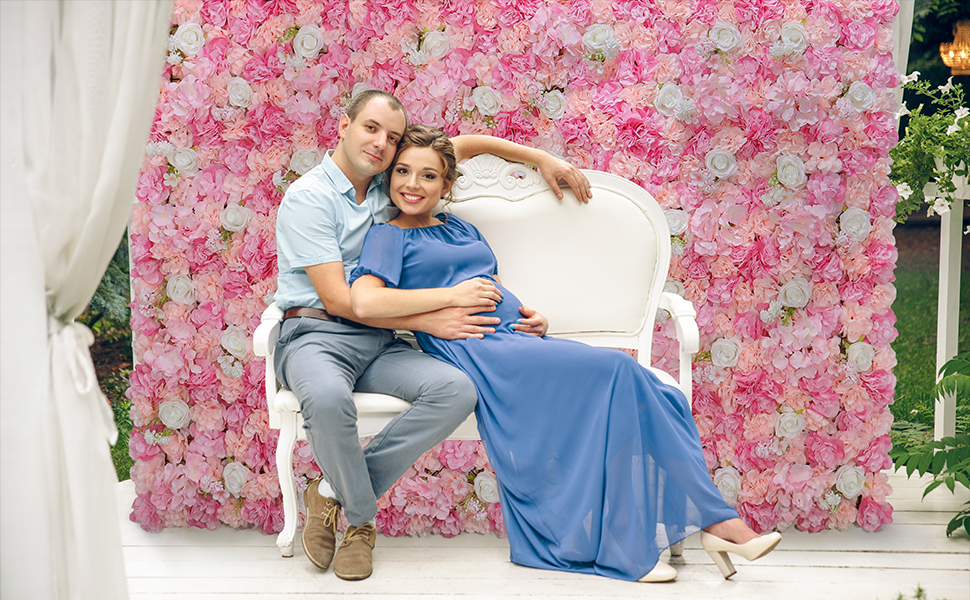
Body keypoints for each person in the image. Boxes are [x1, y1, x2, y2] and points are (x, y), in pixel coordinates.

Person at [348, 125, 783, 583]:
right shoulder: (388, 236)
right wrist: (448, 300)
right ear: (389, 175)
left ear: (447, 184)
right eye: (402, 172)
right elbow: (366, 302)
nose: (413, 184)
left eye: (428, 176)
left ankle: (694, 528)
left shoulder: (457, 225)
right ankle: (708, 526)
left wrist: (530, 313)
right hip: (479, 351)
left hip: (519, 338)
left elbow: (488, 263)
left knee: (660, 393)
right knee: (618, 367)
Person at [274, 90, 591, 581]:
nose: (381, 144)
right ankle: (361, 523)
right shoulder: (309, 198)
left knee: (455, 390)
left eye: (392, 137)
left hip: (379, 340)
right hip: (315, 332)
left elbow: (463, 146)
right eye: (371, 128)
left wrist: (541, 158)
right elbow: (340, 301)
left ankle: (331, 491)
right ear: (344, 125)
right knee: (330, 399)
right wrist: (430, 317)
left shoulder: (392, 182)